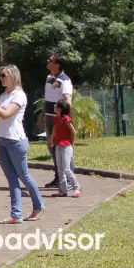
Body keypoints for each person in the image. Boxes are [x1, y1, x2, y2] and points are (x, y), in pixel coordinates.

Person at [0, 65, 45, 224]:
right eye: (0, 75)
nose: (1, 78)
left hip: (15, 140)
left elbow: (5, 115)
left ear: (13, 76)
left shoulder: (19, 96)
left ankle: (39, 205)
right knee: (11, 178)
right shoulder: (3, 95)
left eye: (4, 75)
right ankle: (16, 214)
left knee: (24, 176)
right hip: (1, 140)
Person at [44, 53, 74, 188]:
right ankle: (58, 177)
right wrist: (42, 115)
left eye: (50, 60)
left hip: (58, 121)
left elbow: (67, 101)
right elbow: (48, 98)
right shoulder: (49, 78)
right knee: (53, 149)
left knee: (63, 149)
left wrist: (64, 120)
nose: (47, 61)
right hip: (49, 118)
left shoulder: (65, 81)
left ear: (58, 65)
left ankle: (68, 180)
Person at [50, 100, 81, 197]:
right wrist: (51, 139)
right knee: (60, 169)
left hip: (66, 146)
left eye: (57, 106)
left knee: (67, 168)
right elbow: (55, 130)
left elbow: (73, 132)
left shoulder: (66, 119)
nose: (55, 108)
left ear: (61, 109)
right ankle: (63, 190)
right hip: (58, 145)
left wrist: (72, 143)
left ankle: (77, 187)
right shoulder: (56, 118)